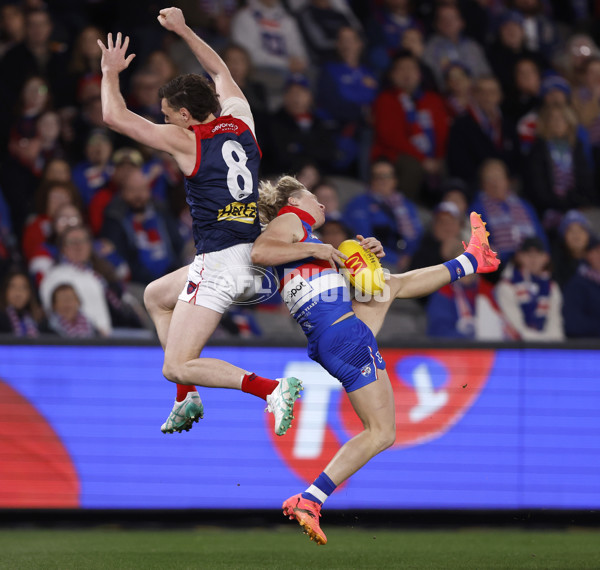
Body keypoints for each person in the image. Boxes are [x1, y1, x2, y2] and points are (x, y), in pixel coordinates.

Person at [251, 174, 500, 544]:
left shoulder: (306, 239)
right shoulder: (290, 221)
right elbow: (259, 253)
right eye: (313, 197)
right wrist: (321, 251)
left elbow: (344, 281)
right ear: (294, 200)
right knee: (382, 432)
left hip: (333, 333)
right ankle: (311, 499)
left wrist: (364, 256)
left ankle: (471, 260)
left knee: (386, 286)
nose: (321, 204)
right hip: (341, 332)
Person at [97, 7, 302, 435]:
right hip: (250, 252)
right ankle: (187, 398)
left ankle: (271, 389)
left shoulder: (186, 140)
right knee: (155, 296)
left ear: (187, 116)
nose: (165, 118)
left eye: (168, 112)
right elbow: (220, 68)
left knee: (175, 364)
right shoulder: (242, 118)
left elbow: (114, 117)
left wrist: (110, 72)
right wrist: (184, 30)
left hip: (221, 261)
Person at [495, 236, 564, 341]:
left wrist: (553, 348)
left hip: (547, 349)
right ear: (519, 257)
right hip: (516, 349)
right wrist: (542, 344)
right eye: (528, 255)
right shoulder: (507, 285)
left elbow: (555, 323)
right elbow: (516, 327)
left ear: (546, 258)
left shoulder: (552, 287)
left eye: (538, 255)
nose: (533, 259)